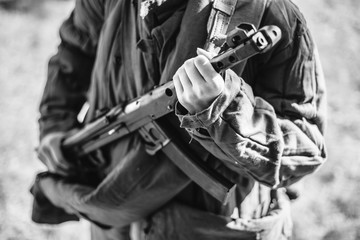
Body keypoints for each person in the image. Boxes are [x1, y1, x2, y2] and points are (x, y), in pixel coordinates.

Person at [32, 0, 327, 239]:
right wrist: (55, 126)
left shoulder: (274, 14)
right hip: (113, 216)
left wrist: (221, 109)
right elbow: (73, 54)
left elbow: (304, 150)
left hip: (213, 229)